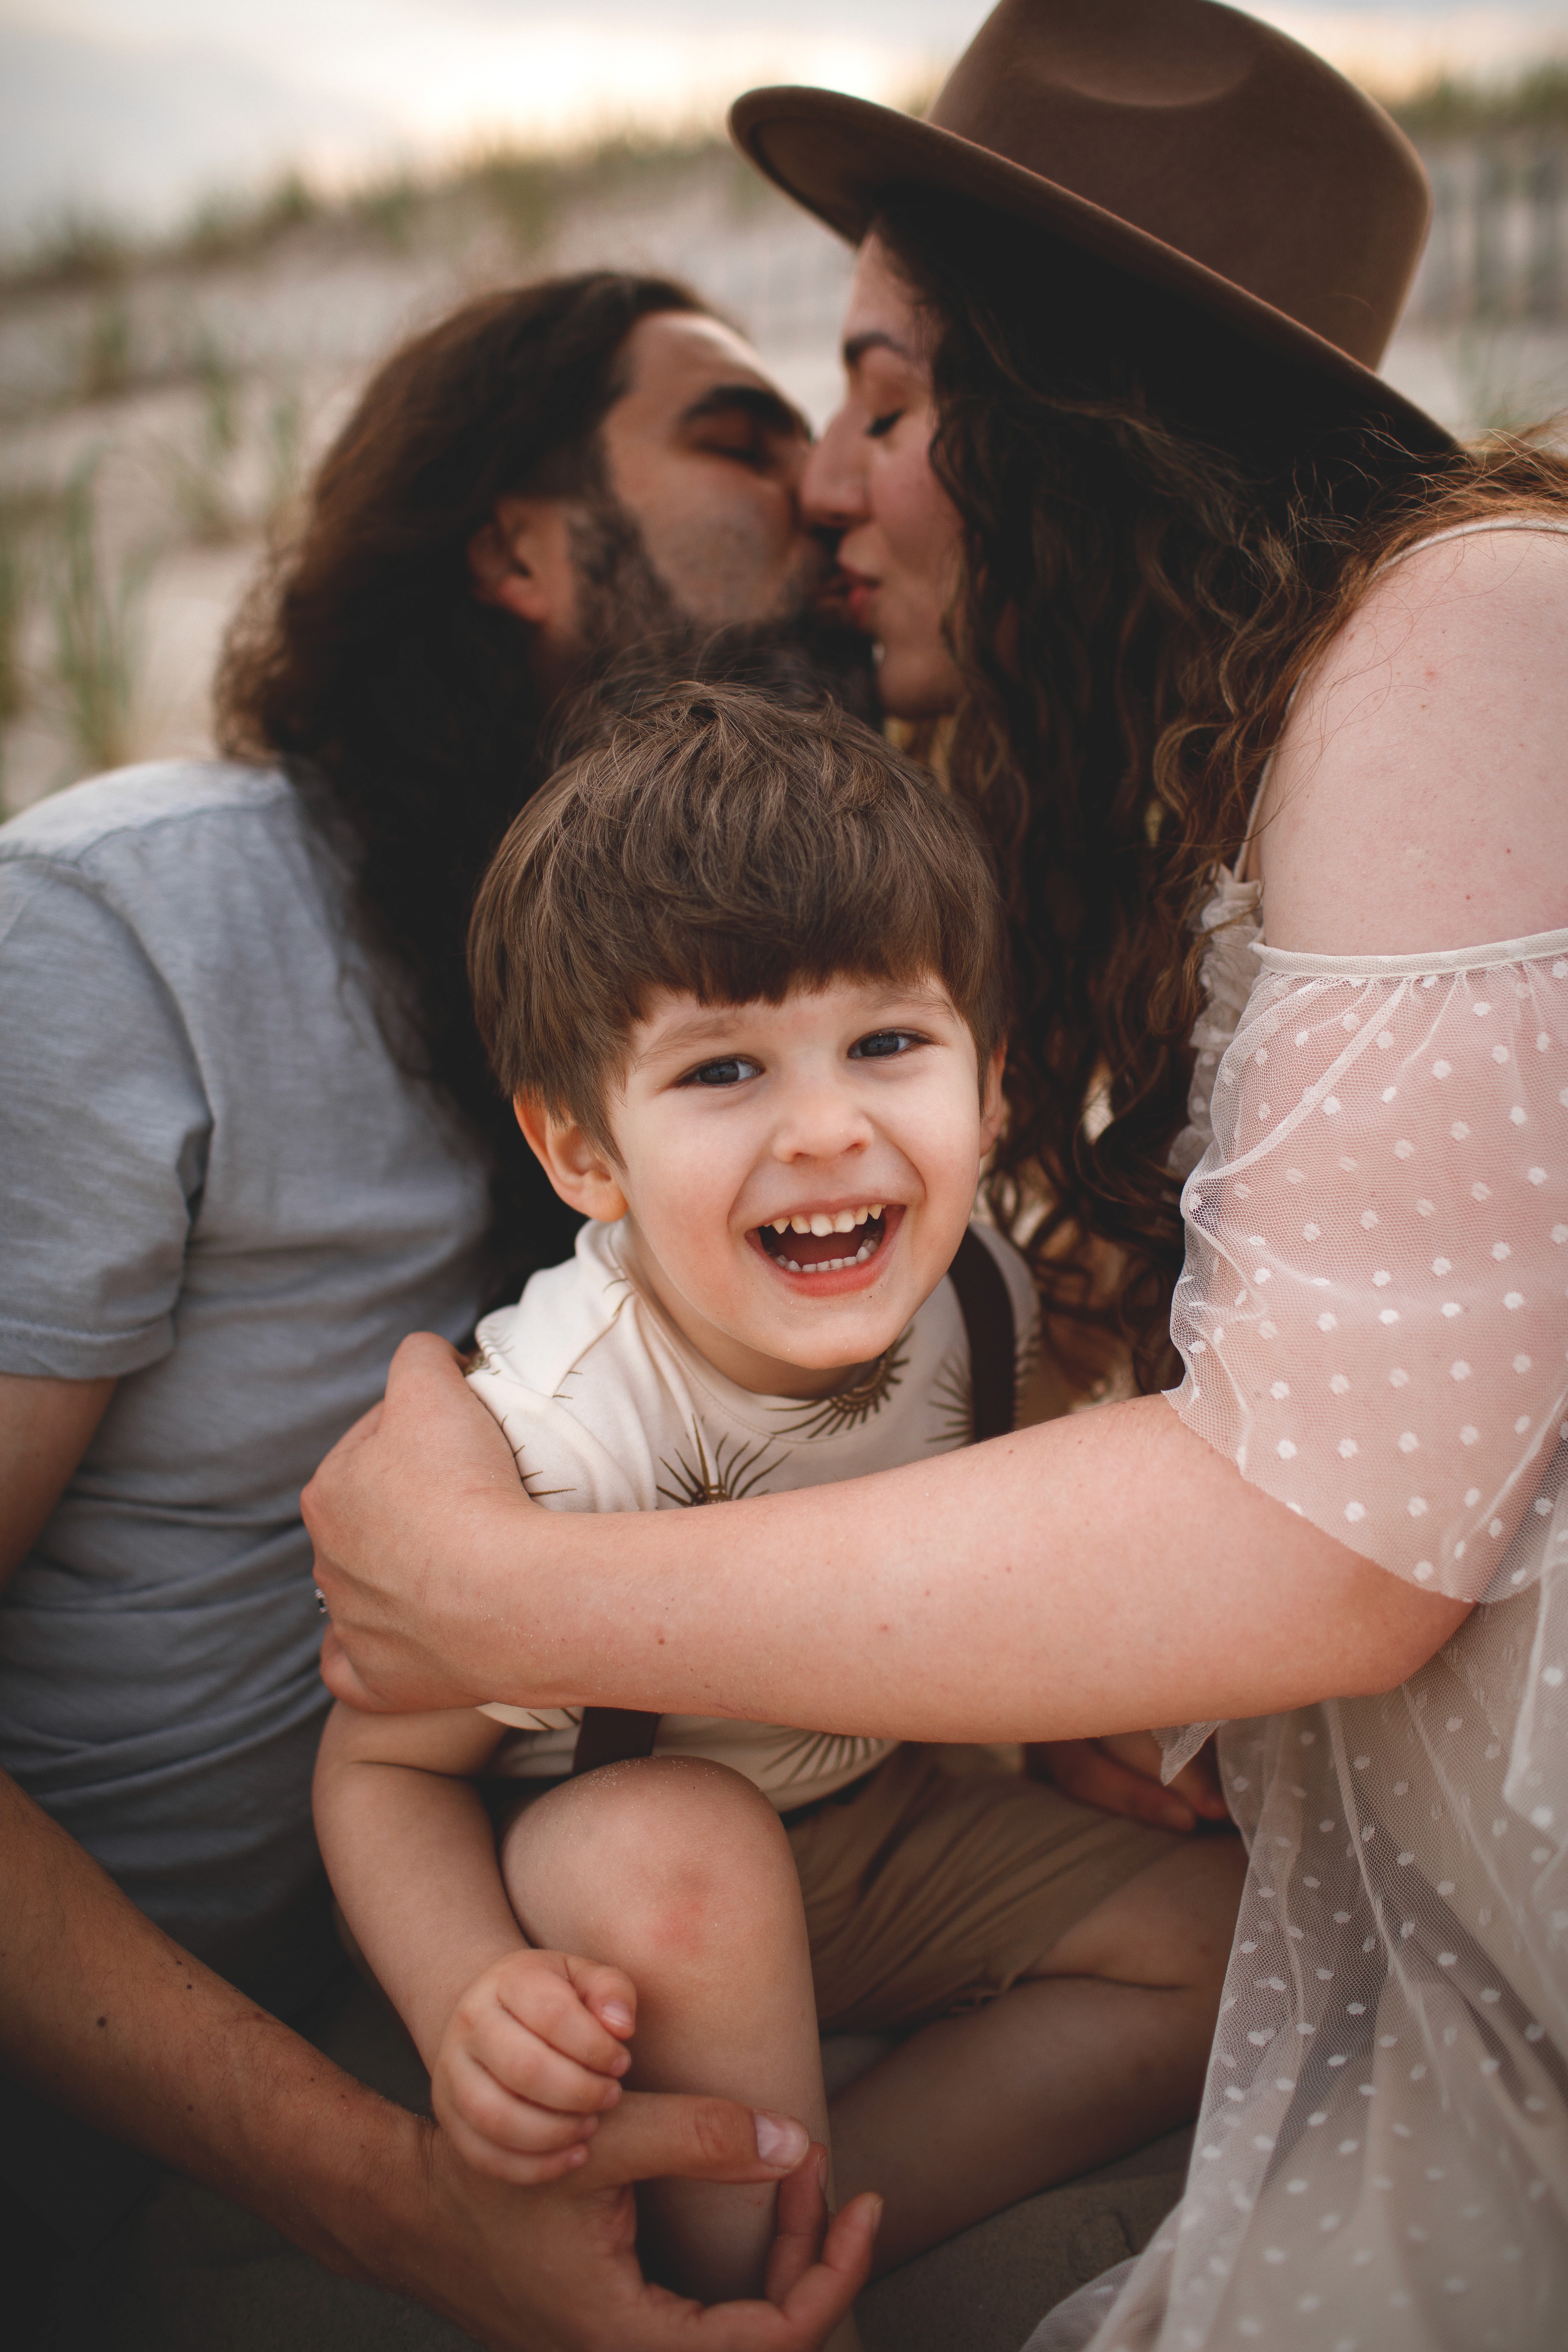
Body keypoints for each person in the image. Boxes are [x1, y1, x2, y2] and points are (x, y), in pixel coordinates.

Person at [305, 4, 1568, 2346]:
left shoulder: (1472, 620)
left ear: (1091, 426)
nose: (828, 485)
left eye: (889, 400)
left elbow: (1326, 1531)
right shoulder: (1241, 762)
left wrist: (498, 1597)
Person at [0, 269, 875, 2349]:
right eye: (742, 436)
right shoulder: (131, 933)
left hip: (451, 1964)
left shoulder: (715, 988)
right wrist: (394, 2198)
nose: (832, 489)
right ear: (516, 545)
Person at [313, 682, 1244, 2323]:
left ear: (989, 1074)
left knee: (1222, 1939)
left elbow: (997, 1532)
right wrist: (473, 1995)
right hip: (632, 1900)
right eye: (723, 1069)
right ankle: (720, 2288)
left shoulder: (980, 1297)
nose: (827, 1128)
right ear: (582, 1150)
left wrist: (1057, 1730)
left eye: (889, 1043)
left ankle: (805, 2209)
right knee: (673, 1837)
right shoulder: (561, 1435)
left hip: (883, 1818)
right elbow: (379, 1760)